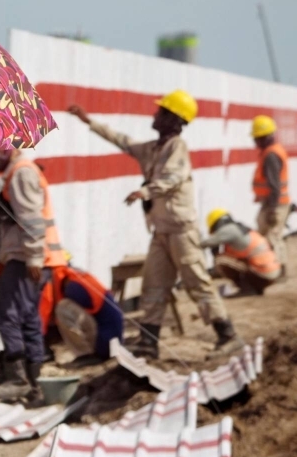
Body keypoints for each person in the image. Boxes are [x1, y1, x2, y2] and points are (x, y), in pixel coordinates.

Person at [67, 90, 243, 359]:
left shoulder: (177, 148)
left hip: (181, 231)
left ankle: (227, 334)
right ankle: (149, 342)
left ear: (174, 120)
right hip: (162, 231)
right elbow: (123, 141)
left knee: (198, 284)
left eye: (161, 112)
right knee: (154, 285)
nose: (155, 114)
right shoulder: (153, 149)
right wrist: (88, 121)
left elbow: (173, 177)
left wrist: (147, 191)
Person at [0, 149, 67, 400]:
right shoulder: (17, 173)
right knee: (29, 318)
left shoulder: (20, 174)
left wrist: (33, 256)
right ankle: (35, 381)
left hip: (25, 259)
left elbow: (31, 220)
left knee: (6, 316)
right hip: (33, 259)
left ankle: (18, 379)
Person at [50, 263, 125, 361]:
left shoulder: (73, 288)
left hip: (105, 344)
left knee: (63, 307)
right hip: (114, 342)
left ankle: (85, 353)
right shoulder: (81, 279)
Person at [201, 208, 281, 296]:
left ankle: (247, 289)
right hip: (271, 273)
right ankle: (255, 288)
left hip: (262, 273)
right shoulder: (240, 229)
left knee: (220, 260)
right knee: (234, 260)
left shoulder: (229, 230)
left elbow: (205, 244)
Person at [251, 115, 291, 274]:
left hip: (275, 204)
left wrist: (273, 210)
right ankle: (272, 268)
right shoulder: (272, 152)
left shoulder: (271, 155)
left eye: (257, 138)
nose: (255, 142)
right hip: (274, 202)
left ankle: (280, 270)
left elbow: (274, 185)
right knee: (266, 236)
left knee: (273, 237)